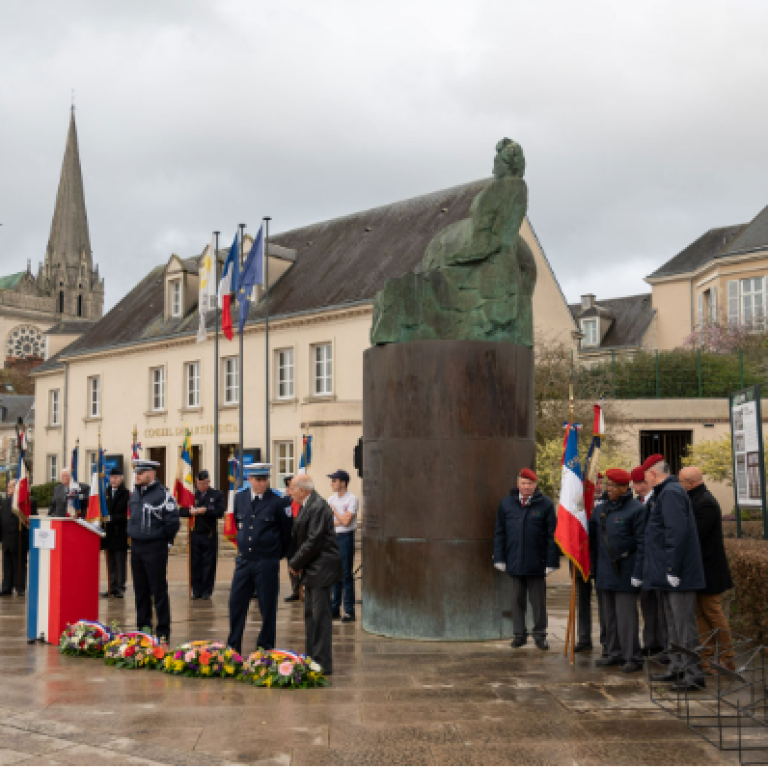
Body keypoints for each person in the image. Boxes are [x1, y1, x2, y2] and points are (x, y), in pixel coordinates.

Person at [642, 454, 707, 691]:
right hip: (667, 573)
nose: (645, 481)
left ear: (653, 474)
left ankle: (693, 674)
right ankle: (677, 667)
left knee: (684, 626)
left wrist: (672, 568)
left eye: (645, 476)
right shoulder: (665, 492)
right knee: (671, 624)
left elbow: (676, 533)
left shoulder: (670, 493)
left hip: (679, 574)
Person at [227, 463, 293, 654]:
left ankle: (265, 647)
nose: (262, 483)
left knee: (267, 606)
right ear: (249, 479)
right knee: (236, 604)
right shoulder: (240, 498)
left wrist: (275, 555)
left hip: (266, 561)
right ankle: (233, 647)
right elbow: (239, 523)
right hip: (244, 560)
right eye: (258, 480)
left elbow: (287, 533)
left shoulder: (279, 500)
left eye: (265, 479)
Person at [493, 468, 559, 650]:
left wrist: (551, 562)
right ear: (518, 484)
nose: (526, 486)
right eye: (523, 483)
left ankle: (540, 635)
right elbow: (499, 533)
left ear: (535, 485)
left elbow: (552, 535)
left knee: (538, 603)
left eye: (530, 483)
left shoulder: (545, 504)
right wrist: (499, 557)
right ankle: (519, 635)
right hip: (514, 561)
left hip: (537, 563)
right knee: (516, 601)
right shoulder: (506, 504)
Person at [589, 468, 646, 674]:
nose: (609, 489)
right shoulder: (601, 509)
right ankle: (613, 653)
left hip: (626, 571)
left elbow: (642, 544)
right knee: (608, 616)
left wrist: (638, 573)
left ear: (624, 488)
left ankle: (632, 657)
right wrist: (593, 569)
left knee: (626, 617)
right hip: (605, 571)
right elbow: (593, 542)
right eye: (608, 485)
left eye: (613, 486)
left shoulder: (636, 509)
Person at [679, 466, 735, 673]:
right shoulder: (694, 499)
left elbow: (695, 534)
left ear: (690, 483)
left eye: (681, 482)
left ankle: (727, 658)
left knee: (713, 612)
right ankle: (707, 657)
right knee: (700, 613)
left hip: (710, 569)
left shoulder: (705, 503)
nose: (679, 485)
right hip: (700, 568)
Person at [288, 475, 343, 674]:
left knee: (320, 618)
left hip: (321, 569)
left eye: (292, 488)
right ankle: (312, 659)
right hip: (313, 569)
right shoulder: (308, 504)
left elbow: (313, 541)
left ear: (302, 490)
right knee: (311, 616)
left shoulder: (317, 506)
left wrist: (295, 563)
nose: (289, 492)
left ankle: (321, 663)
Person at [127, 459, 179, 641]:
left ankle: (163, 631)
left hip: (154, 547)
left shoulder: (163, 495)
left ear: (151, 473)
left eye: (141, 473)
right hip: (136, 547)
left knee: (158, 591)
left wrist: (163, 541)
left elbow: (172, 523)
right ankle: (143, 627)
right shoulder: (135, 494)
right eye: (136, 473)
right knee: (140, 590)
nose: (137, 476)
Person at [632, 465, 667, 657]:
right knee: (647, 605)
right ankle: (650, 642)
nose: (634, 487)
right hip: (643, 562)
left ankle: (663, 645)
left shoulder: (658, 499)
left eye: (637, 482)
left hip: (656, 561)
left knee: (661, 607)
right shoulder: (637, 502)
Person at [179, 470, 225, 600]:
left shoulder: (216, 494)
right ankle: (196, 591)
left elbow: (220, 512)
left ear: (209, 482)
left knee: (208, 564)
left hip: (209, 535)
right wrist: (190, 512)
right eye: (199, 484)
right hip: (195, 534)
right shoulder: (191, 495)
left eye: (204, 484)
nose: (201, 486)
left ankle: (207, 591)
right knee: (195, 563)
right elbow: (181, 511)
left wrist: (206, 510)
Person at [328, 469, 359, 623]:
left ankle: (349, 611)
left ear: (343, 483)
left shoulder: (352, 499)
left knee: (346, 574)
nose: (332, 484)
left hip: (346, 538)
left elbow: (347, 522)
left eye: (334, 481)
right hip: (333, 538)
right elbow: (328, 522)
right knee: (335, 574)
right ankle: (335, 608)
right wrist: (341, 519)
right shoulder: (331, 499)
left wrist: (335, 512)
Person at [1, 480, 37, 597]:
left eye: (10, 487)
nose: (7, 489)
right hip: (7, 538)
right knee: (7, 565)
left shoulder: (26, 502)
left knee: (19, 564)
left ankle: (19, 587)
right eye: (7, 487)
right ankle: (6, 587)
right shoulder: (5, 502)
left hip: (19, 539)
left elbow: (32, 519)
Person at [101, 469, 130, 598]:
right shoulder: (105, 493)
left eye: (116, 477)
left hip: (120, 533)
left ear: (121, 479)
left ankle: (120, 587)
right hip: (108, 534)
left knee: (120, 563)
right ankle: (111, 587)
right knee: (110, 562)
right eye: (112, 477)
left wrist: (111, 518)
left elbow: (127, 515)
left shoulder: (126, 494)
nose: (113, 480)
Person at [283, 475, 303, 603]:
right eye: (288, 487)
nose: (288, 489)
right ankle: (296, 591)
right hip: (290, 538)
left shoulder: (302, 501)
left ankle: (304, 590)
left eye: (291, 487)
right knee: (292, 564)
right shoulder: (285, 501)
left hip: (301, 537)